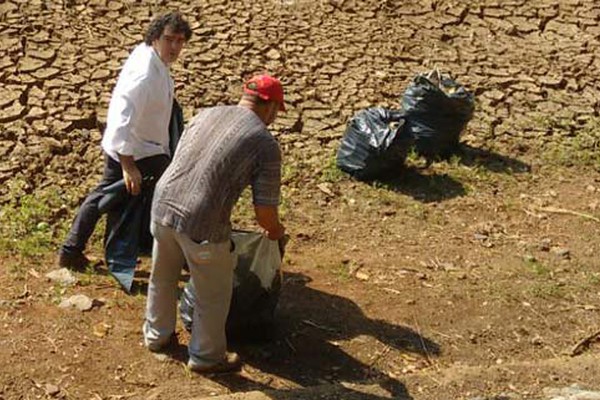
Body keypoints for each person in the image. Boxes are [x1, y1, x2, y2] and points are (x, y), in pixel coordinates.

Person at [143, 74, 287, 374]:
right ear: (270, 107)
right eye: (277, 110)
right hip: (202, 221)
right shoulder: (264, 142)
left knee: (163, 277)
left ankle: (157, 336)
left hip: (162, 205)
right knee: (214, 294)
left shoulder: (205, 114)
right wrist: (275, 232)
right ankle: (206, 357)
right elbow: (264, 211)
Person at [57, 12, 192, 270]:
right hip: (132, 150)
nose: (174, 47)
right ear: (155, 37)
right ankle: (70, 250)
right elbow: (121, 119)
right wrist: (128, 165)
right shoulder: (144, 74)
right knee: (106, 197)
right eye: (169, 40)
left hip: (150, 148)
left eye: (179, 41)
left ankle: (135, 248)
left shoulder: (154, 59)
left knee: (133, 199)